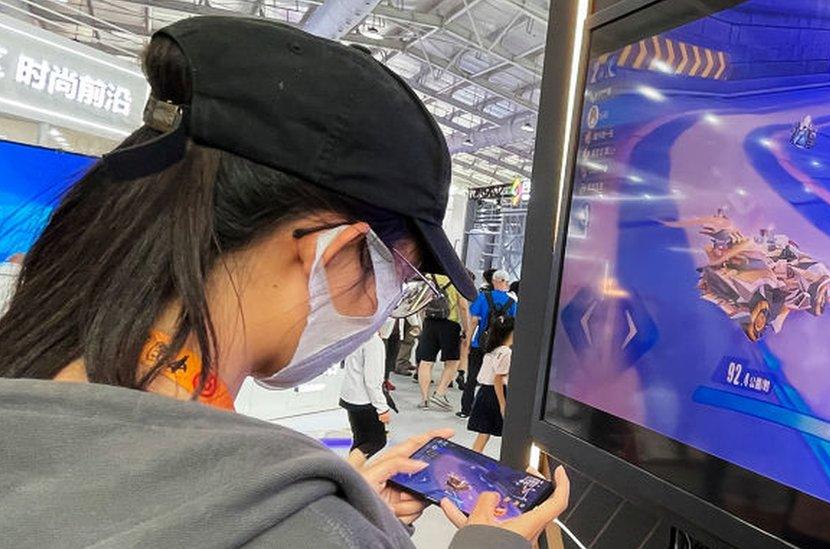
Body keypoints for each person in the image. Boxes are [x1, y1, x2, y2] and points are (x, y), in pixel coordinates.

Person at [0, 17, 568, 549]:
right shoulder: (296, 521)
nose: (391, 306)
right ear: (336, 252)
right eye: (402, 278)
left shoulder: (36, 378)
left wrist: (351, 507)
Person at [459, 269, 517, 419]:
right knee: (496, 378)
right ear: (506, 282)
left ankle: (466, 409)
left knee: (472, 377)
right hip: (499, 346)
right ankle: (494, 410)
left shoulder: (483, 297)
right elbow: (514, 325)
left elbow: (474, 320)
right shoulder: (512, 302)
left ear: (494, 281)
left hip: (481, 342)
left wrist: (468, 340)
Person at [416, 274, 469, 410]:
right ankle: (439, 394)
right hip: (450, 324)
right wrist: (467, 329)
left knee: (426, 362)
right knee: (452, 361)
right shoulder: (457, 280)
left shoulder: (428, 278)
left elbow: (420, 302)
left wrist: (422, 322)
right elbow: (463, 306)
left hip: (429, 322)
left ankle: (424, 400)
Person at [468, 315, 515, 453]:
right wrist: (502, 404)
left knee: (484, 432)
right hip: (495, 394)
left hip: (484, 392)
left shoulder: (491, 350)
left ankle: (475, 455)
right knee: (490, 431)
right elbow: (498, 378)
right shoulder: (506, 352)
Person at [340, 334, 390, 460]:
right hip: (365, 400)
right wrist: (382, 408)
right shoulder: (373, 341)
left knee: (360, 440)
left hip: (351, 395)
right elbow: (372, 381)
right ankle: (350, 473)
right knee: (375, 442)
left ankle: (352, 473)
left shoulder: (357, 334)